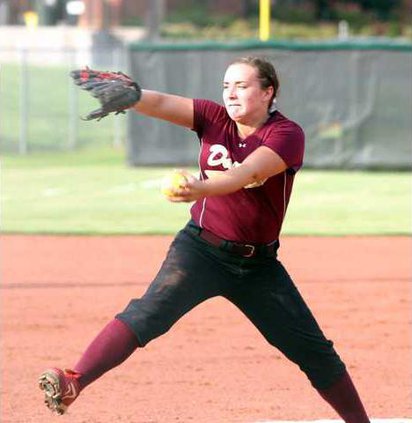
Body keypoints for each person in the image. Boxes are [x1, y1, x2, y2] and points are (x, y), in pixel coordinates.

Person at [39, 56, 370, 422]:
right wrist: (134, 96)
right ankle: (74, 381)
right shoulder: (213, 118)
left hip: (258, 266)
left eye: (242, 86)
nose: (231, 94)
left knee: (313, 351)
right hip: (199, 251)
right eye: (226, 86)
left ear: (268, 92)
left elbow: (247, 173)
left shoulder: (286, 135)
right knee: (147, 314)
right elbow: (164, 104)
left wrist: (201, 188)